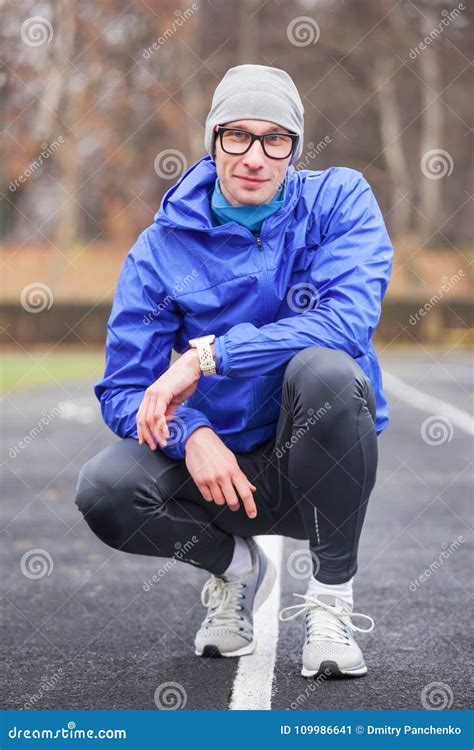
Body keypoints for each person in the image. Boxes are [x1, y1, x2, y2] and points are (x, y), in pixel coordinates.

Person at [75, 64, 393, 679]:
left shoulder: (339, 200)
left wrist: (208, 355)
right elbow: (123, 388)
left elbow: (345, 323)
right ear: (213, 139)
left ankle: (330, 601)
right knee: (105, 490)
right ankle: (235, 568)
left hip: (315, 474)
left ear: (295, 148)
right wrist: (189, 433)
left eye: (275, 139)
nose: (255, 156)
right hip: (216, 477)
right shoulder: (159, 250)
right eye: (237, 136)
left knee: (327, 372)